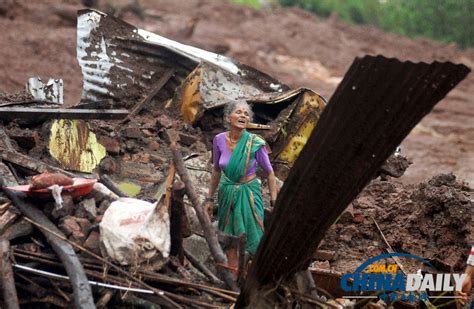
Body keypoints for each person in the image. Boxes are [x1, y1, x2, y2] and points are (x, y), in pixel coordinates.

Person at [206, 100, 278, 273]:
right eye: (238, 112)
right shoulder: (218, 140)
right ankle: (233, 275)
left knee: (253, 234)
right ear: (228, 118)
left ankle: (250, 274)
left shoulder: (255, 143)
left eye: (246, 114)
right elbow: (216, 170)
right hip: (227, 192)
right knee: (230, 236)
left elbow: (270, 173)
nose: (243, 116)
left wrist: (274, 201)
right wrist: (209, 198)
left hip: (249, 192)